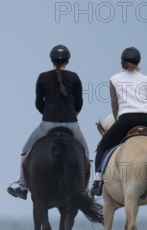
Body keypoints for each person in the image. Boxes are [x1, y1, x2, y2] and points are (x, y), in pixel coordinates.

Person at [7, 44, 89, 200]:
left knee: (25, 151)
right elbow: (79, 103)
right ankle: (85, 189)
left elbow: (38, 103)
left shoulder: (43, 77)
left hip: (48, 124)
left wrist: (48, 114)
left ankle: (23, 187)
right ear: (68, 61)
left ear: (51, 60)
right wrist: (72, 114)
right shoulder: (75, 77)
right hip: (72, 125)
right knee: (85, 153)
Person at [89, 47, 147, 196]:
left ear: (122, 62)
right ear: (138, 62)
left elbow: (115, 106)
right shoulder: (146, 79)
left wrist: (120, 120)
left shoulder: (114, 79)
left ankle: (97, 182)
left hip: (126, 119)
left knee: (102, 146)